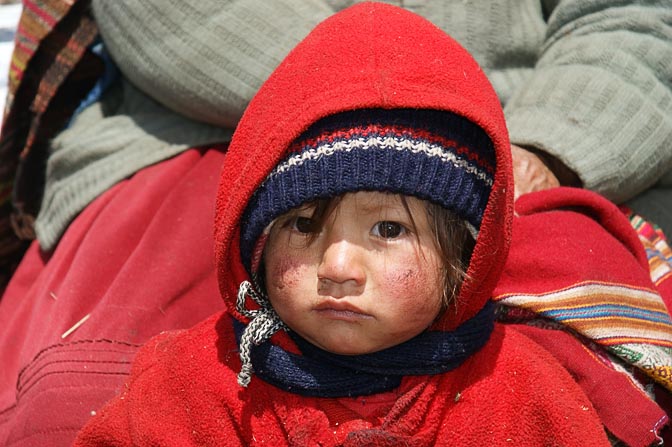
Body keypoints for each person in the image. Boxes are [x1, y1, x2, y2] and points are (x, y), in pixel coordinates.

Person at [1, 1, 671, 445]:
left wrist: (525, 140)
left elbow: (637, 19)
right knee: (67, 402)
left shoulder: (520, 398)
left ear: (471, 262)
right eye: (301, 228)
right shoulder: (189, 386)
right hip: (211, 124)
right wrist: (373, 85)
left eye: (385, 231)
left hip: (510, 135)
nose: (338, 266)